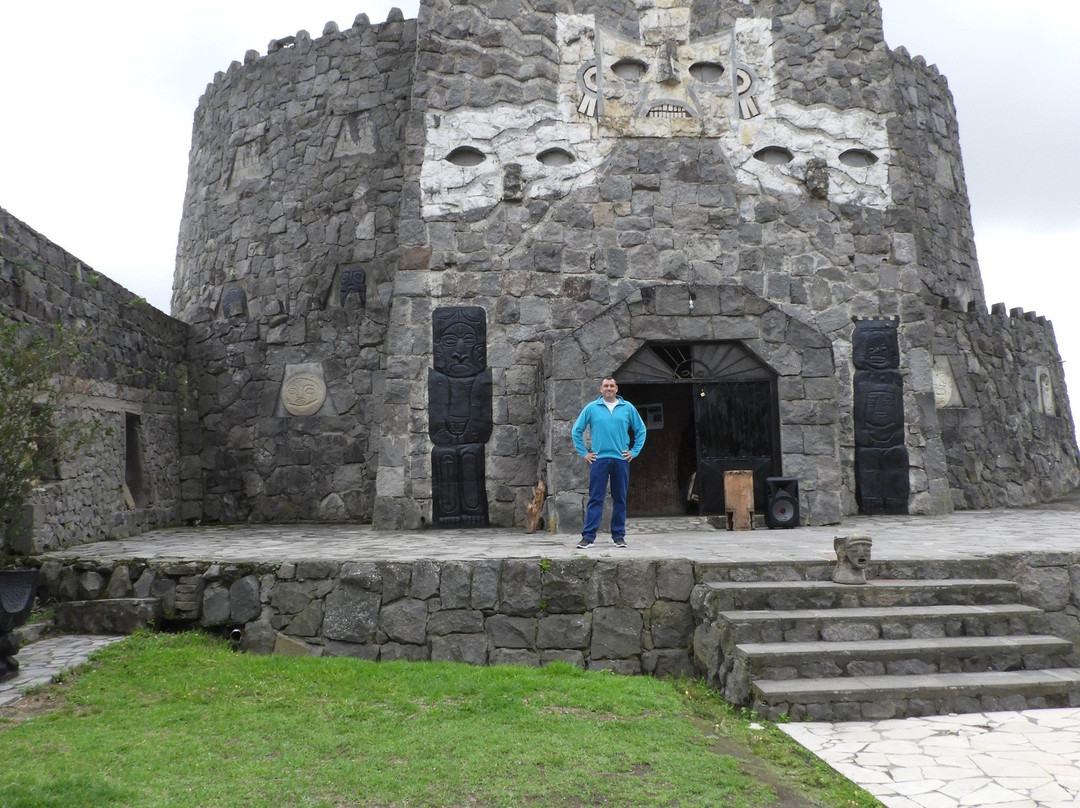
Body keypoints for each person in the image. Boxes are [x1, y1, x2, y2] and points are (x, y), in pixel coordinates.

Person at [571, 376, 647, 548]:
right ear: (601, 389)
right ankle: (588, 537)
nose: (609, 388)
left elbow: (641, 430)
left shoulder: (627, 408)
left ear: (617, 388)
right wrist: (584, 453)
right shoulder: (592, 408)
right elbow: (576, 431)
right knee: (596, 498)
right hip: (599, 460)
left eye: (611, 386)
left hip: (621, 459)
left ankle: (618, 536)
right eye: (606, 386)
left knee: (620, 498)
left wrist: (634, 451)